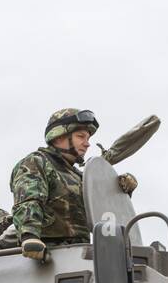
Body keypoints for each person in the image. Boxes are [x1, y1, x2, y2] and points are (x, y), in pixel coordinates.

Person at [10, 108, 137, 261]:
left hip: (79, 254)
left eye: (88, 138)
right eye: (80, 137)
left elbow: (100, 211)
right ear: (58, 137)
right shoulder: (37, 162)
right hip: (47, 256)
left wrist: (117, 188)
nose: (87, 144)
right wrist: (30, 236)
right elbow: (30, 200)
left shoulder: (79, 176)